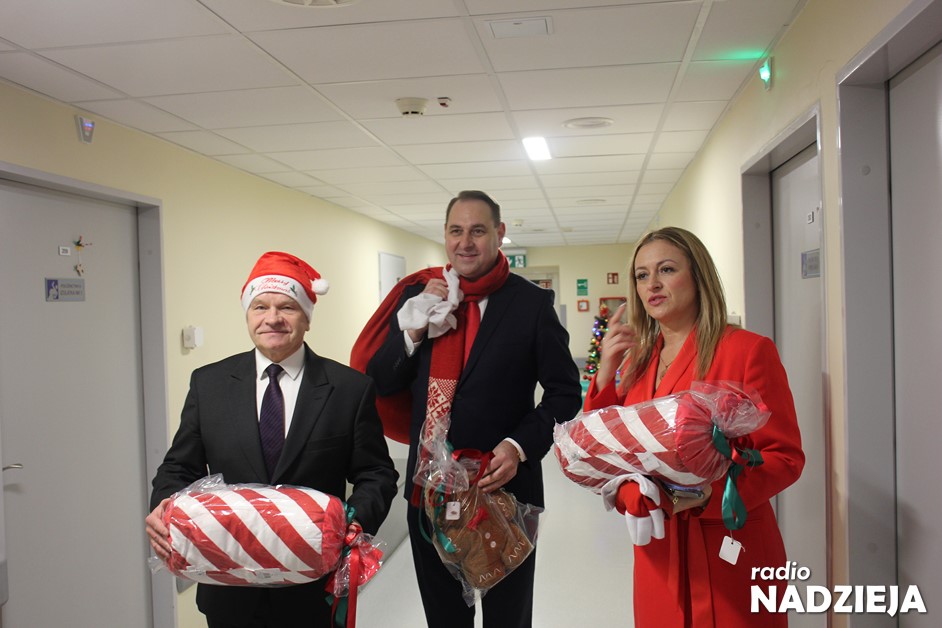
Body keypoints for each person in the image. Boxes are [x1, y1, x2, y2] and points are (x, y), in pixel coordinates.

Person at [352, 190, 582, 628]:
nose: (465, 242)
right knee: (445, 619)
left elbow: (565, 394)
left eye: (478, 230)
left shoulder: (531, 305)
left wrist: (518, 446)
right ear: (444, 234)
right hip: (429, 493)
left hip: (506, 496)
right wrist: (414, 330)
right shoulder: (420, 297)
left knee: (507, 620)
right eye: (456, 231)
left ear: (499, 233)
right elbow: (381, 381)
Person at [145, 251, 398, 628]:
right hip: (228, 586)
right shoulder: (209, 384)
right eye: (260, 307)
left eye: (287, 307)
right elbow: (179, 467)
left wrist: (351, 524)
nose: (272, 318)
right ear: (248, 316)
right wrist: (164, 507)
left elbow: (377, 474)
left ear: (307, 318)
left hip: (313, 590)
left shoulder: (349, 389)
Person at [585, 226, 804, 627]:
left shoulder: (747, 350)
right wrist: (605, 375)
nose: (652, 284)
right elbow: (607, 449)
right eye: (642, 275)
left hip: (728, 545)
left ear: (698, 276)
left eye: (666, 270)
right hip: (658, 550)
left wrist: (706, 495)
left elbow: (784, 457)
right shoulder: (637, 362)